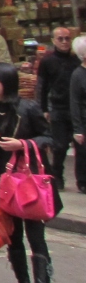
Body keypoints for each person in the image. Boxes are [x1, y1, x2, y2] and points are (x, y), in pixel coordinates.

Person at [0, 62, 59, 283]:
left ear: (7, 82)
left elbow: (49, 138)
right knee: (13, 237)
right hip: (5, 182)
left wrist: (22, 144)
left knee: (35, 237)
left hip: (29, 181)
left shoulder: (28, 108)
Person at [36, 27, 77, 190]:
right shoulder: (47, 61)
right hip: (57, 108)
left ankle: (82, 180)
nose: (64, 42)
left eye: (67, 38)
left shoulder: (77, 60)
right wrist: (43, 109)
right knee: (60, 145)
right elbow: (41, 87)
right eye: (60, 39)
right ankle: (57, 175)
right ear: (53, 41)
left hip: (76, 108)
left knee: (81, 146)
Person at [71, 35, 86, 194]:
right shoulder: (78, 74)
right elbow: (74, 102)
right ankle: (83, 182)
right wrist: (78, 129)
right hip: (83, 119)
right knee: (83, 154)